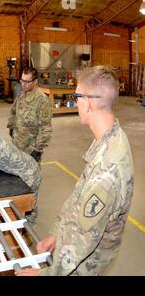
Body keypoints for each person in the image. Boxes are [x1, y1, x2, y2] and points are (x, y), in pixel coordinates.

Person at [16, 66, 134, 276]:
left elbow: (83, 240)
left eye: (76, 96)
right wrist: (56, 233)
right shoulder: (109, 138)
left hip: (84, 266)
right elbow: (79, 197)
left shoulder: (107, 168)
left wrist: (44, 275)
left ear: (88, 102)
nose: (76, 102)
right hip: (76, 251)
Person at [7, 67, 52, 162]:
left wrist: (38, 150)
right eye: (22, 80)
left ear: (35, 81)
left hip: (30, 148)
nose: (23, 84)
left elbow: (45, 128)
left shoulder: (42, 100)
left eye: (27, 82)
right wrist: (11, 127)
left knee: (31, 175)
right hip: (17, 143)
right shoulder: (21, 95)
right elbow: (13, 111)